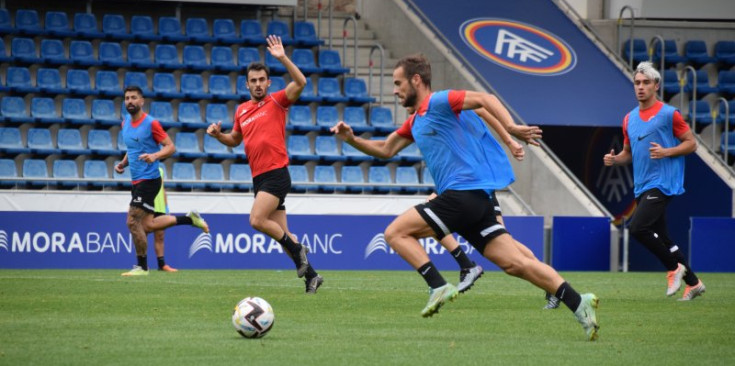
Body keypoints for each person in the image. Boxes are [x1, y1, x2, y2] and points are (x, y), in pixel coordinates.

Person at [331, 54, 599, 340]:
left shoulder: (439, 101)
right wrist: (352, 139)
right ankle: (578, 302)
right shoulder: (415, 122)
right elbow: (385, 149)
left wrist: (510, 130)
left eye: (398, 83)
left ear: (416, 80)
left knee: (395, 233)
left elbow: (485, 100)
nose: (395, 90)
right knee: (514, 263)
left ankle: (437, 286)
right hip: (476, 201)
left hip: (464, 193)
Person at [206, 35, 323, 294]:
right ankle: (312, 277)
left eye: (262, 80)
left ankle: (299, 250)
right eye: (253, 81)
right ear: (247, 84)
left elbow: (301, 82)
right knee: (284, 235)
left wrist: (282, 57)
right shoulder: (241, 111)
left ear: (268, 82)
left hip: (276, 174)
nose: (258, 84)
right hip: (258, 178)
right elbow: (235, 140)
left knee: (256, 220)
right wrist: (218, 136)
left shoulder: (277, 101)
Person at [424, 108, 561, 309]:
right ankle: (552, 283)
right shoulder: (434, 121)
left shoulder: (447, 107)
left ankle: (466, 266)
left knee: (431, 216)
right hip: (462, 183)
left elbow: (483, 109)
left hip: (474, 184)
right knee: (506, 242)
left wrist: (510, 141)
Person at [603, 61, 704, 301]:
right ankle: (694, 283)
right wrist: (615, 159)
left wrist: (667, 152)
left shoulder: (669, 114)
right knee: (664, 238)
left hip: (663, 182)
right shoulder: (629, 119)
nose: (640, 87)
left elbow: (692, 143)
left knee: (637, 228)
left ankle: (674, 268)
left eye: (646, 83)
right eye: (637, 83)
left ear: (656, 85)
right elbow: (628, 153)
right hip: (642, 184)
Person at [115, 86, 209, 277]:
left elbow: (171, 147)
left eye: (134, 98)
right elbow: (132, 148)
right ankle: (190, 219)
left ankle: (142, 267)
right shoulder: (125, 123)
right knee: (148, 225)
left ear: (142, 101)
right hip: (136, 181)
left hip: (149, 179)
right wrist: (123, 163)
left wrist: (155, 155)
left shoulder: (151, 123)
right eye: (127, 98)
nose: (130, 101)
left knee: (132, 220)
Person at [153, 167, 177, 272]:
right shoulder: (143, 167)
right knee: (141, 235)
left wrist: (166, 206)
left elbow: (162, 188)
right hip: (146, 205)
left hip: (160, 207)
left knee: (160, 236)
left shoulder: (161, 170)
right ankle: (142, 265)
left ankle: (161, 265)